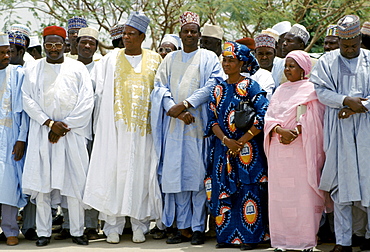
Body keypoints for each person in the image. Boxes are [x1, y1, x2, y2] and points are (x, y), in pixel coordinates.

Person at [83, 11, 163, 244]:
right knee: (113, 175)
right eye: (125, 34)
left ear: (142, 36)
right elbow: (96, 92)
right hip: (115, 130)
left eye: (131, 34)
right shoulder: (109, 60)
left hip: (143, 132)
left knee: (141, 177)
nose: (126, 38)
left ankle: (140, 225)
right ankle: (112, 227)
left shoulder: (155, 59)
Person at [151, 11, 224, 245]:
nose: (190, 34)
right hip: (175, 126)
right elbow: (159, 87)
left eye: (194, 31)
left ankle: (197, 228)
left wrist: (187, 104)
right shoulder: (169, 59)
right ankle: (182, 228)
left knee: (197, 178)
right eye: (186, 31)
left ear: (199, 34)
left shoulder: (208, 57)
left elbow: (214, 84)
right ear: (180, 34)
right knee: (177, 178)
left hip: (199, 126)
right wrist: (175, 108)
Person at [21, 25, 94, 247]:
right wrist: (50, 124)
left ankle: (78, 231)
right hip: (43, 134)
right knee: (43, 185)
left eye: (58, 44)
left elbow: (87, 101)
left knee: (74, 185)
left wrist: (64, 126)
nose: (54, 49)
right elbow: (27, 99)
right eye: (49, 45)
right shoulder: (33, 69)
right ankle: (44, 233)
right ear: (44, 46)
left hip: (71, 135)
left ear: (65, 45)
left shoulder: (77, 68)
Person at [311, 14, 370, 252]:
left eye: (353, 45)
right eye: (345, 46)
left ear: (359, 40)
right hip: (338, 130)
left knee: (368, 183)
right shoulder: (327, 61)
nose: (348, 50)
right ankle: (343, 241)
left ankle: (367, 237)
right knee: (341, 186)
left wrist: (360, 107)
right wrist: (345, 100)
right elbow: (321, 92)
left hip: (366, 129)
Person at [205, 41, 269, 250]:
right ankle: (226, 237)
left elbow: (262, 116)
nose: (226, 64)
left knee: (248, 191)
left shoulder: (251, 86)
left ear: (241, 62)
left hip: (247, 150)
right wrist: (227, 141)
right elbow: (212, 121)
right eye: (224, 60)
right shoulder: (217, 89)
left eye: (231, 60)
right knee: (223, 191)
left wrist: (242, 141)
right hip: (224, 149)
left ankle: (250, 238)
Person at [264, 50, 325, 251]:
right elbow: (269, 116)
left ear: (304, 69)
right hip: (279, 148)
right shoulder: (280, 90)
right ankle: (281, 241)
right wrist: (280, 130)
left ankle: (306, 241)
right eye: (286, 66)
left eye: (292, 66)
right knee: (280, 195)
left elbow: (315, 119)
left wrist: (298, 130)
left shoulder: (311, 90)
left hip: (302, 149)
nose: (288, 70)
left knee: (302, 194)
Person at [55, 27, 100, 242]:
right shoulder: (64, 67)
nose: (87, 47)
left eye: (91, 43)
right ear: (75, 44)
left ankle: (90, 224)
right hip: (68, 132)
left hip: (95, 133)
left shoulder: (101, 68)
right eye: (83, 42)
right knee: (67, 178)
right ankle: (67, 223)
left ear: (96, 47)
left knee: (90, 179)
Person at [0, 32, 28, 246]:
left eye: (8, 52)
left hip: (10, 138)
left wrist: (21, 139)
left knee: (9, 184)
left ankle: (10, 230)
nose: (6, 56)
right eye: (2, 53)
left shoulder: (18, 74)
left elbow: (24, 111)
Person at [252, 33, 276, 100]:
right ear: (255, 55)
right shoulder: (251, 74)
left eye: (268, 53)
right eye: (260, 54)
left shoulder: (281, 71)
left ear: (275, 54)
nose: (264, 57)